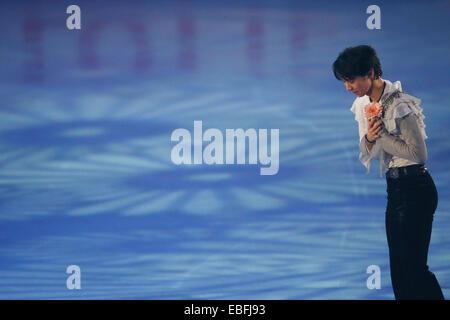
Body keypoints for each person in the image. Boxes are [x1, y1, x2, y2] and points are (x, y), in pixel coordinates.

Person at [332, 45, 445, 300]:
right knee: (400, 273)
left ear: (370, 73)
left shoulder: (399, 104)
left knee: (415, 270)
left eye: (351, 80)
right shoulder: (363, 104)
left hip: (416, 189)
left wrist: (380, 138)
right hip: (395, 191)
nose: (348, 87)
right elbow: (366, 150)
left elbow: (419, 154)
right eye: (344, 82)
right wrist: (370, 140)